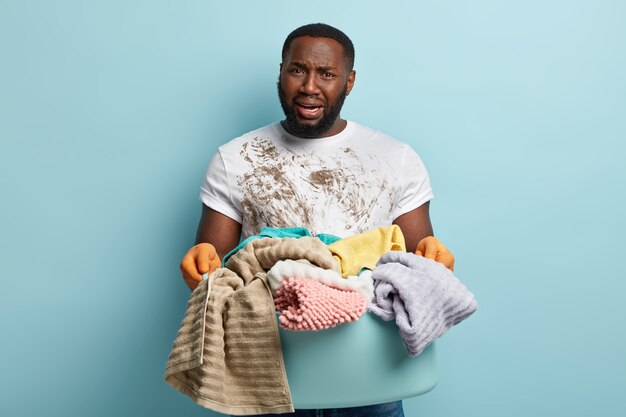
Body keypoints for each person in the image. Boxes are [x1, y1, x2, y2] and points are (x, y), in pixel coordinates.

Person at [179, 23, 455, 417]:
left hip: (370, 372)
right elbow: (216, 268)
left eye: (327, 74)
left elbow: (418, 265)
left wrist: (434, 260)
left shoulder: (396, 158)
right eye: (297, 70)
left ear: (349, 81)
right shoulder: (235, 157)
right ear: (281, 72)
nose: (310, 86)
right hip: (270, 375)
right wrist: (200, 264)